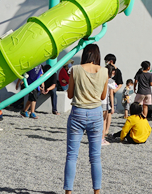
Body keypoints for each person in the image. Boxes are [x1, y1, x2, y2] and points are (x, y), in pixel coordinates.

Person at [64, 44, 108, 194]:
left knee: (72, 156)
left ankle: (68, 191)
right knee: (95, 157)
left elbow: (69, 94)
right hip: (96, 114)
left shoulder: (75, 70)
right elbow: (103, 97)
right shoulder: (104, 71)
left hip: (78, 113)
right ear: (97, 55)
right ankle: (96, 191)